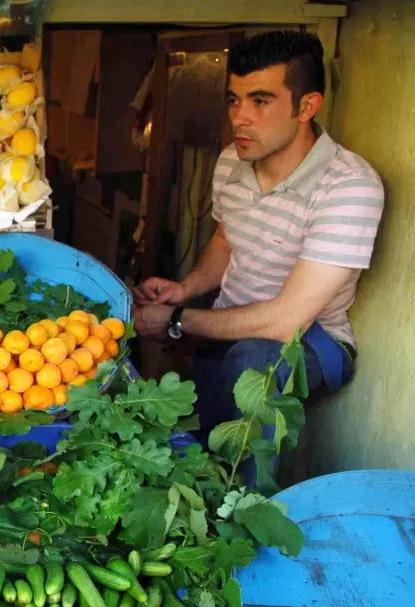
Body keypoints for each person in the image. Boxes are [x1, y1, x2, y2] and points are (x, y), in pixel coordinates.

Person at [132, 30, 384, 440]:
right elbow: (227, 239)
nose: (239, 118)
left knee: (252, 368)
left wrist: (177, 320)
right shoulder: (234, 160)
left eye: (260, 101)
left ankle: (250, 500)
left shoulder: (349, 186)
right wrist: (186, 287)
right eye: (234, 99)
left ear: (307, 107)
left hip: (309, 342)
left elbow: (287, 321)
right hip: (232, 326)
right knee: (189, 435)